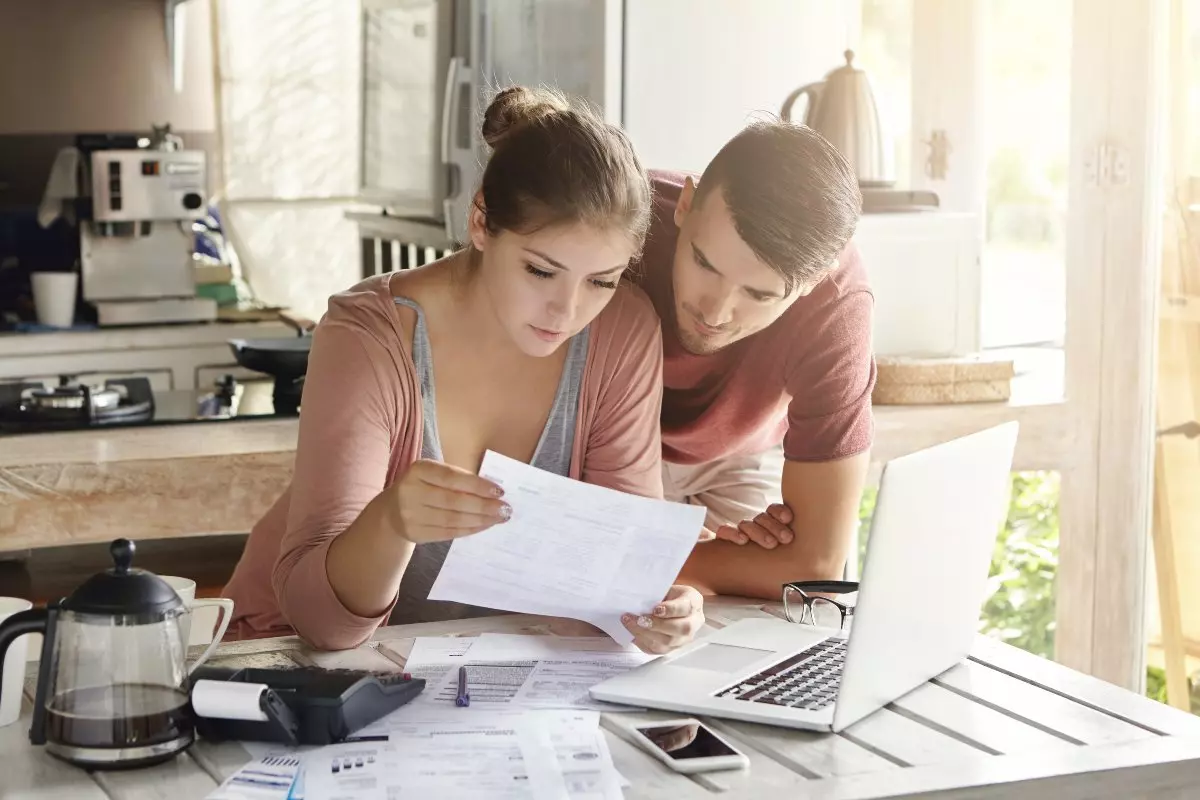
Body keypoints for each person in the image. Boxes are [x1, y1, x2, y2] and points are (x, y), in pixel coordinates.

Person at [221, 86, 704, 655]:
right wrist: (390, 523)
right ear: (480, 222)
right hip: (294, 665)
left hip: (475, 678)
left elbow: (611, 576)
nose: (567, 311)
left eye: (600, 280)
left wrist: (656, 609)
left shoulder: (623, 330)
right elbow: (321, 627)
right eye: (541, 271)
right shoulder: (368, 337)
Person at [633, 122, 875, 601]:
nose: (714, 311)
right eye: (704, 263)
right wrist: (673, 554)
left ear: (813, 282)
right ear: (685, 204)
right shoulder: (619, 217)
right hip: (605, 448)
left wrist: (650, 556)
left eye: (759, 293)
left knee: (769, 622)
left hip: (737, 458)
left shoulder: (838, 306)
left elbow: (815, 567)